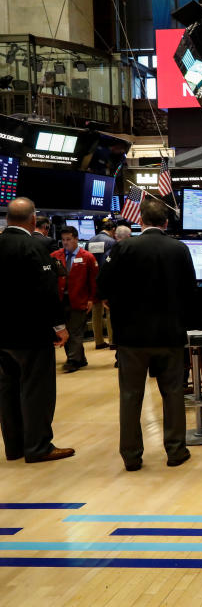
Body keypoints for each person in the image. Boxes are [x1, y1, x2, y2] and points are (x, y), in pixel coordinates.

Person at [97, 198, 195, 471]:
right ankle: (176, 451)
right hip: (170, 335)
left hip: (131, 337)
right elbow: (191, 290)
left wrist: (112, 302)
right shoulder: (179, 249)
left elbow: (102, 285)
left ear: (141, 222)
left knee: (130, 396)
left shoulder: (124, 247)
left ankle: (131, 456)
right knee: (173, 394)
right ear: (165, 222)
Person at [0, 198, 74, 463]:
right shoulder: (35, 245)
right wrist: (60, 327)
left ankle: (14, 447)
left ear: (8, 218)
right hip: (30, 333)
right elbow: (46, 291)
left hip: (2, 334)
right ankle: (38, 446)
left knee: (7, 390)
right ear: (33, 220)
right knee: (36, 389)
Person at [51, 226, 98, 373]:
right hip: (60, 300)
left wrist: (92, 299)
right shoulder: (55, 256)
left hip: (80, 299)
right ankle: (80, 358)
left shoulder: (87, 257)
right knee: (65, 330)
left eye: (69, 239)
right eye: (63, 240)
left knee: (75, 331)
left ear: (76, 239)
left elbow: (94, 280)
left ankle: (73, 360)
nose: (65, 243)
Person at [86, 221, 116, 349]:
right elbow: (108, 264)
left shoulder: (90, 241)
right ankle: (113, 341)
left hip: (92, 280)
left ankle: (98, 341)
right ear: (113, 229)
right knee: (109, 311)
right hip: (105, 280)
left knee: (96, 311)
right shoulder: (111, 242)